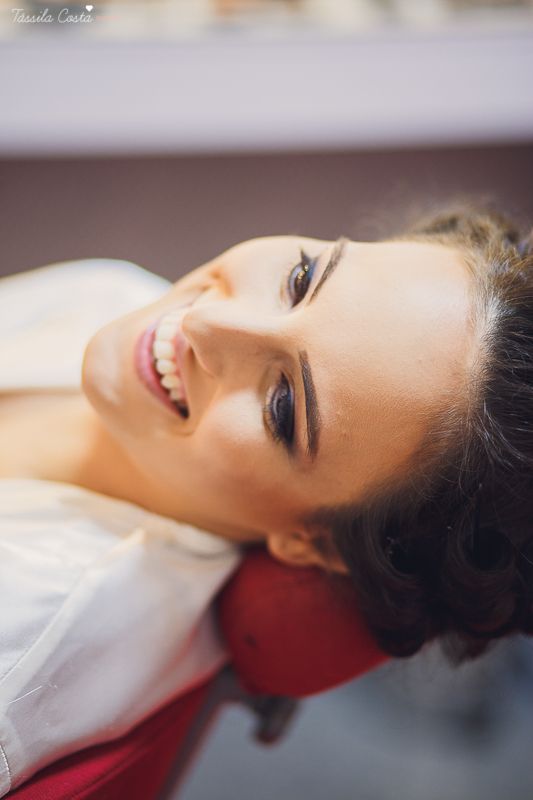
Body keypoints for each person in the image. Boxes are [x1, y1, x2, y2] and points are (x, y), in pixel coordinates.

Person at [0, 207, 531, 792]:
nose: (205, 320)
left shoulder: (26, 628)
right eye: (301, 279)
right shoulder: (116, 295)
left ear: (314, 540)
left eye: (284, 408)